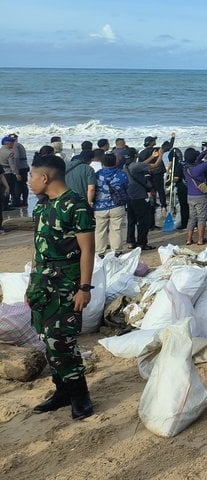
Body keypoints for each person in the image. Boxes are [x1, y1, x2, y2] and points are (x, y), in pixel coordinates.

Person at [26, 154, 96, 420]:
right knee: (47, 339)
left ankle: (80, 396)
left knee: (63, 341)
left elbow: (87, 251)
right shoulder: (42, 207)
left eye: (32, 176)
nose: (29, 181)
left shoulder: (76, 205)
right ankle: (62, 391)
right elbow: (38, 247)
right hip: (41, 284)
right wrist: (31, 283)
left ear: (45, 177)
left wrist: (85, 288)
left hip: (66, 284)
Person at [93, 153, 128, 255]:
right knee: (116, 229)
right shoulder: (121, 174)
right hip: (117, 205)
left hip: (100, 207)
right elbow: (126, 187)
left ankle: (100, 252)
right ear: (115, 162)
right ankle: (116, 251)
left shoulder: (97, 174)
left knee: (99, 231)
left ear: (102, 163)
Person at [124, 148, 157, 250]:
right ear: (135, 155)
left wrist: (152, 156)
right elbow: (155, 166)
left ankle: (130, 242)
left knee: (131, 220)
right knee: (143, 221)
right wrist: (160, 155)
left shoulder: (126, 166)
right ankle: (142, 243)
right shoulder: (135, 166)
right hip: (139, 197)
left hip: (129, 197)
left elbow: (142, 164)